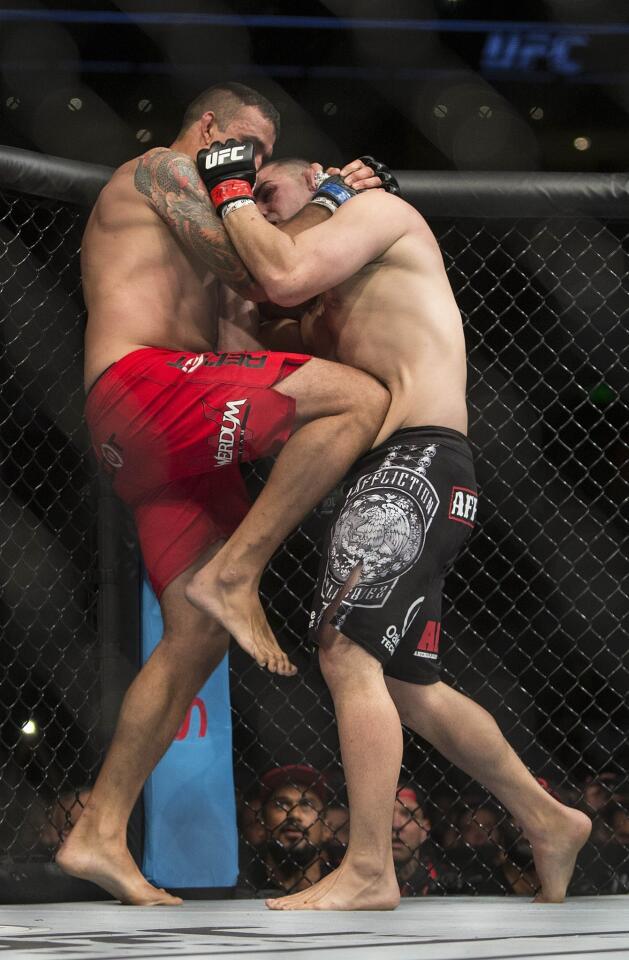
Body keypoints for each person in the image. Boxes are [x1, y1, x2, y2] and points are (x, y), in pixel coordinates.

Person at [199, 148, 593, 910]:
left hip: (415, 462)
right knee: (412, 688)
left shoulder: (376, 217)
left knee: (343, 646)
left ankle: (371, 867)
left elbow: (279, 271)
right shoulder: (323, 297)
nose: (262, 206)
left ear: (319, 177)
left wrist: (226, 191)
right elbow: (245, 367)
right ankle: (549, 819)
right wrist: (232, 287)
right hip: (406, 472)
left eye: (270, 189)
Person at [57, 82, 390, 906]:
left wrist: (304, 229)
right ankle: (237, 572)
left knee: (195, 638)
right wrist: (333, 200)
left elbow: (256, 313)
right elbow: (255, 266)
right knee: (356, 398)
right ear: (208, 128)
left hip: (181, 428)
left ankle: (98, 831)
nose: (249, 161)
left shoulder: (209, 222)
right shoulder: (160, 172)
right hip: (141, 388)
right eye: (244, 141)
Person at [254, 765, 330, 894]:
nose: (294, 814)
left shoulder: (342, 884)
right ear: (262, 823)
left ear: (326, 829)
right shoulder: (241, 884)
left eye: (306, 804)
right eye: (281, 804)